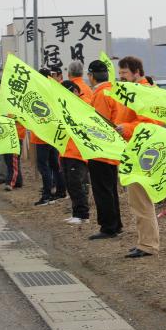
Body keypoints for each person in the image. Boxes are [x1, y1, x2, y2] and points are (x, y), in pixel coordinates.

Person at [116, 56, 160, 258]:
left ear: (136, 72)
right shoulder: (136, 91)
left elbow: (148, 124)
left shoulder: (144, 92)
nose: (121, 77)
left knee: (141, 199)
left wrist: (125, 128)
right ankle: (144, 241)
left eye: (124, 73)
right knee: (137, 200)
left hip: (142, 151)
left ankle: (148, 244)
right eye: (120, 73)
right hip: (134, 149)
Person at [86, 60, 122, 239]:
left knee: (103, 190)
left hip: (101, 150)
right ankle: (116, 224)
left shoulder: (101, 94)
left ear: (91, 76)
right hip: (112, 149)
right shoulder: (113, 90)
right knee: (110, 188)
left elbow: (99, 123)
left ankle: (108, 227)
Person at [30, 67, 66, 206]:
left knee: (44, 166)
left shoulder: (38, 92)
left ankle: (47, 194)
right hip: (53, 134)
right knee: (54, 164)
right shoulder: (54, 90)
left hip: (42, 135)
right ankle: (60, 190)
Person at [61, 80, 91, 225]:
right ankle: (76, 212)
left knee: (76, 183)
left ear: (74, 92)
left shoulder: (82, 104)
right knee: (70, 183)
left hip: (76, 152)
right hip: (65, 150)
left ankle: (82, 213)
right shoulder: (67, 105)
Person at [3, 119, 26, 191]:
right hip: (8, 135)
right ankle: (18, 182)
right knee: (9, 161)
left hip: (16, 136)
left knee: (13, 161)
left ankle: (11, 183)